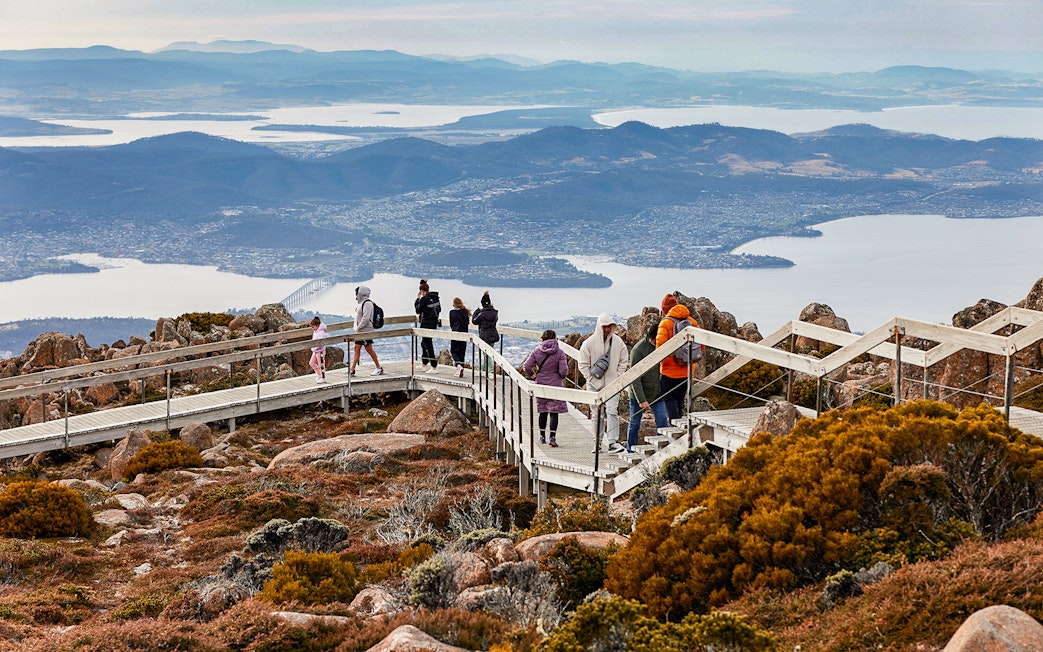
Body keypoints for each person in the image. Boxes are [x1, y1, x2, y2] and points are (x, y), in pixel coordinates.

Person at [578, 312, 629, 454]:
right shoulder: (589, 343)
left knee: (612, 412)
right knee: (596, 414)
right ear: (599, 327)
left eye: (609, 326)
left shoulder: (618, 342)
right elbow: (582, 364)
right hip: (594, 386)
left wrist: (617, 377)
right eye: (604, 327)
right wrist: (591, 379)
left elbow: (624, 360)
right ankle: (597, 443)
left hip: (613, 385)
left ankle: (613, 442)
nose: (606, 329)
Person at [656, 293, 701, 421]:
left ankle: (675, 425)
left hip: (669, 371)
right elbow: (700, 345)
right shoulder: (691, 322)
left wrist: (661, 364)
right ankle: (681, 423)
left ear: (665, 310)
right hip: (687, 370)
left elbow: (660, 349)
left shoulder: (665, 323)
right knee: (680, 399)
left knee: (669, 398)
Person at [626, 323, 669, 452]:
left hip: (657, 393)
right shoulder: (638, 350)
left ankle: (660, 450)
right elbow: (635, 377)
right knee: (634, 423)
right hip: (638, 394)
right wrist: (641, 399)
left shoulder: (663, 346)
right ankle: (630, 450)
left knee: (662, 421)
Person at [523, 329, 569, 447]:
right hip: (555, 385)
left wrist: (533, 375)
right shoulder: (559, 353)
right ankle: (552, 438)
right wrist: (559, 375)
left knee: (543, 410)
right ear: (555, 338)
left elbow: (527, 366)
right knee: (554, 412)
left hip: (541, 384)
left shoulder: (537, 351)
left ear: (543, 338)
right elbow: (563, 372)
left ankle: (542, 436)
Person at [350, 285, 384, 376]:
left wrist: (358, 328)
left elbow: (366, 318)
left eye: (357, 293)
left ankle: (378, 367)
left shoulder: (367, 303)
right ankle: (352, 369)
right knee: (356, 348)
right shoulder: (361, 303)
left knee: (369, 349)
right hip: (360, 331)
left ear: (361, 293)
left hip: (365, 331)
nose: (356, 295)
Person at [414, 279, 441, 373]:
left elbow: (418, 310)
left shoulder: (424, 299)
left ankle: (434, 366)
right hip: (433, 323)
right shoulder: (435, 298)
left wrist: (418, 300)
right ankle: (424, 363)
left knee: (428, 344)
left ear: (421, 291)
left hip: (426, 324)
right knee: (424, 343)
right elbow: (439, 309)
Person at [471, 291, 499, 372]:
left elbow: (474, 321)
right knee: (488, 352)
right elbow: (495, 321)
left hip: (484, 336)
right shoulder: (495, 313)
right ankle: (484, 369)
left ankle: (490, 371)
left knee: (486, 353)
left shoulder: (482, 314)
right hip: (493, 335)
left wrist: (476, 311)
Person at [448, 297, 470, 377]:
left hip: (456, 334)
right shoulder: (464, 312)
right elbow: (467, 322)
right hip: (464, 334)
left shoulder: (452, 312)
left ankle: (458, 365)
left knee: (454, 351)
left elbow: (451, 324)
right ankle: (461, 370)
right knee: (461, 352)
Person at [308, 315, 328, 384]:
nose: (312, 328)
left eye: (313, 327)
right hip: (315, 350)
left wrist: (314, 347)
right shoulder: (316, 331)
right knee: (311, 363)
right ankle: (319, 374)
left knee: (321, 364)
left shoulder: (321, 333)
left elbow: (320, 343)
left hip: (320, 351)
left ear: (317, 325)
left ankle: (323, 378)